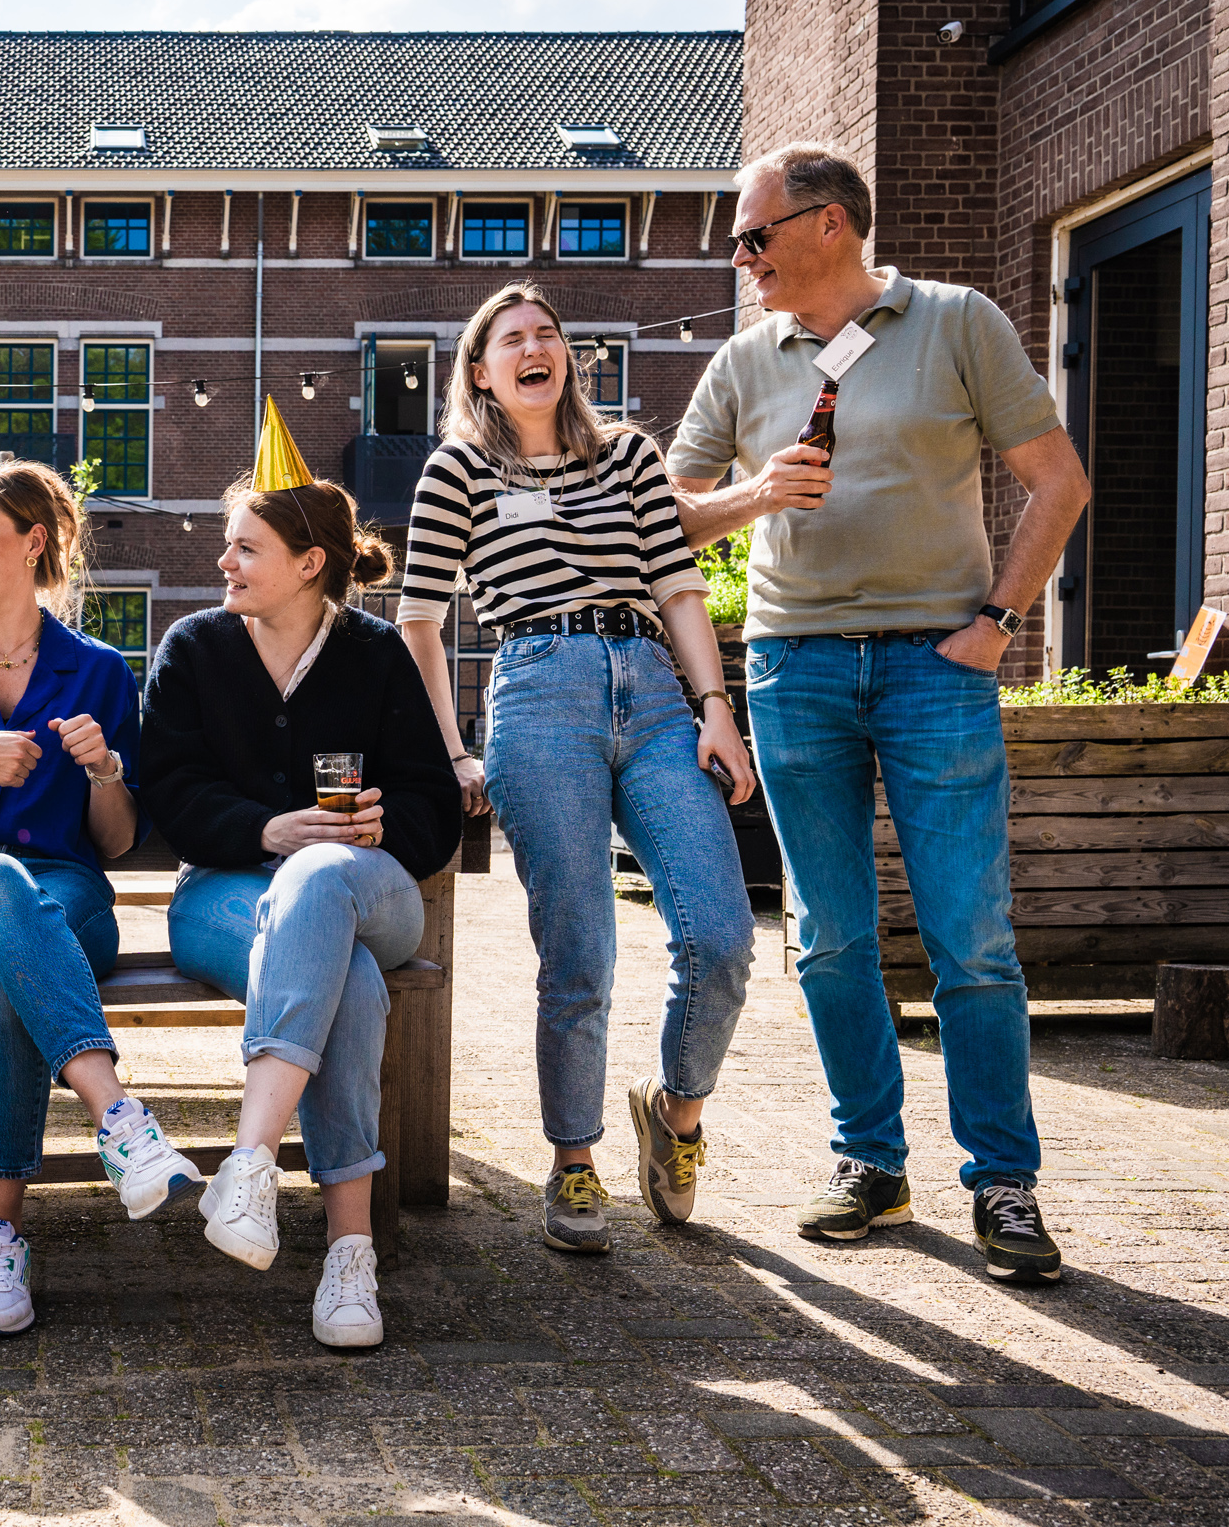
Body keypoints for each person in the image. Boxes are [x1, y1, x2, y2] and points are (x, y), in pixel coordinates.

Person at [667, 144, 1091, 1284]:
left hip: (933, 665)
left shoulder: (955, 321)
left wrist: (998, 618)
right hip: (793, 667)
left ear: (831, 227)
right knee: (829, 937)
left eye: (754, 234)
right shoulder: (745, 360)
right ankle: (870, 1161)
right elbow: (662, 525)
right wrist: (754, 496)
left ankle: (1001, 1178)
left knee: (971, 938)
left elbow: (1059, 479)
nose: (739, 256)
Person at [399, 282, 758, 1257]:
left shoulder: (630, 456)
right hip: (538, 690)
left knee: (722, 935)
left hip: (648, 690)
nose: (533, 346)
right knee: (581, 952)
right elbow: (419, 620)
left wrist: (715, 710)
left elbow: (679, 589)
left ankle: (675, 1116)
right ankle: (574, 1155)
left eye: (546, 333)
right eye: (510, 337)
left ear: (566, 358)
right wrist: (452, 749)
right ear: (480, 370)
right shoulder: (458, 468)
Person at [141, 400, 462, 1348]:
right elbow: (169, 793)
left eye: (245, 548)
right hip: (222, 898)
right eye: (227, 547)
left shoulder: (374, 655)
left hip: (374, 894)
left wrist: (380, 820)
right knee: (345, 979)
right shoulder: (193, 649)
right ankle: (349, 1256)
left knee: (325, 880)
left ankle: (250, 1160)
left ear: (309, 563)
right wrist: (261, 827)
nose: (225, 564)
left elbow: (433, 808)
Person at [0, 458, 203, 1339]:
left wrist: (102, 769)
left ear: (35, 541)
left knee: (6, 975)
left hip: (68, 899)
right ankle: (118, 1117)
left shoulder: (97, 670)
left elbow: (114, 839)